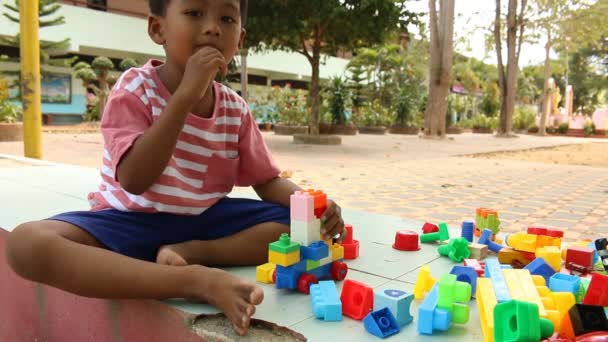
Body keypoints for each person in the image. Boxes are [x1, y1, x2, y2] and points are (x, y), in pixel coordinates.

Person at [6, 0, 345, 335]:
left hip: (203, 224)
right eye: (194, 13)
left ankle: (195, 254)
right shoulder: (135, 88)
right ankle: (193, 280)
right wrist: (184, 96)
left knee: (293, 225)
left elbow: (267, 180)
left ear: (239, 39)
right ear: (158, 29)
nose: (212, 27)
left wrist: (312, 207)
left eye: (227, 18)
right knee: (27, 244)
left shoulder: (235, 109)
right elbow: (135, 179)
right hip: (129, 220)